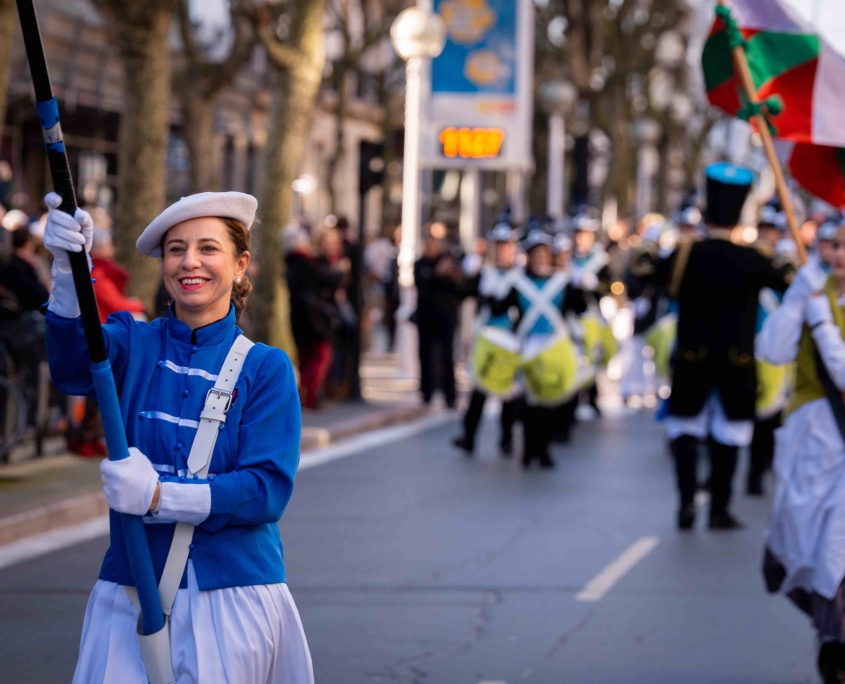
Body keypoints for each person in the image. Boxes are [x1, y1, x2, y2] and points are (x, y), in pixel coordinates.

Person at [42, 191, 313, 683]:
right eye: (175, 249)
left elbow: (266, 492)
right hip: (127, 593)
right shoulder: (132, 340)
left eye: (208, 249)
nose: (190, 261)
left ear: (240, 265)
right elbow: (71, 369)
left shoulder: (266, 368)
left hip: (232, 596)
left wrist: (159, 497)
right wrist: (67, 275)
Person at [648, 163, 790, 530]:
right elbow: (789, 283)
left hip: (692, 355)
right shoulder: (753, 257)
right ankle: (719, 509)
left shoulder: (684, 253)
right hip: (736, 359)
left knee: (684, 428)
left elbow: (646, 274)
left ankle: (685, 503)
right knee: (731, 433)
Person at [757, 229, 845, 683]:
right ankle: (831, 640)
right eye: (837, 245)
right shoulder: (813, 290)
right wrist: (795, 303)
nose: (842, 255)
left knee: (837, 553)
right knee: (803, 542)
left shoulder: (824, 305)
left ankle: (837, 648)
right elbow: (771, 351)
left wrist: (823, 321)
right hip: (814, 442)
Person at [492, 229, 587, 468]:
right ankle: (528, 450)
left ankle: (544, 449)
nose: (540, 258)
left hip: (554, 347)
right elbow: (499, 309)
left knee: (549, 400)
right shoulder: (518, 282)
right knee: (528, 402)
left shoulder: (561, 282)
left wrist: (580, 287)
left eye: (544, 253)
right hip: (528, 348)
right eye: (536, 253)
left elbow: (579, 308)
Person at [453, 220, 519, 456]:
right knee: (479, 390)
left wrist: (491, 297)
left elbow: (506, 307)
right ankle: (469, 437)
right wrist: (469, 274)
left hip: (510, 339)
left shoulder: (519, 276)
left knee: (508, 393)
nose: (503, 250)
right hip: (486, 338)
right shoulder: (485, 272)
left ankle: (507, 439)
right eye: (499, 245)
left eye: (507, 245)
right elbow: (462, 292)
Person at [285, 224, 342, 409]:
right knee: (320, 355)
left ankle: (304, 393)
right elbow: (326, 278)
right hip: (313, 318)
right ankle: (309, 395)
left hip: (299, 317)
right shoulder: (305, 262)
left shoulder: (290, 263)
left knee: (305, 358)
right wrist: (340, 271)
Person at [413, 229, 466, 408]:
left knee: (447, 357)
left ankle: (450, 395)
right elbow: (422, 288)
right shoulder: (421, 264)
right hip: (426, 318)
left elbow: (460, 290)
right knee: (425, 356)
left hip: (445, 318)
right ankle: (426, 393)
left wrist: (451, 274)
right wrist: (437, 274)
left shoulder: (448, 261)